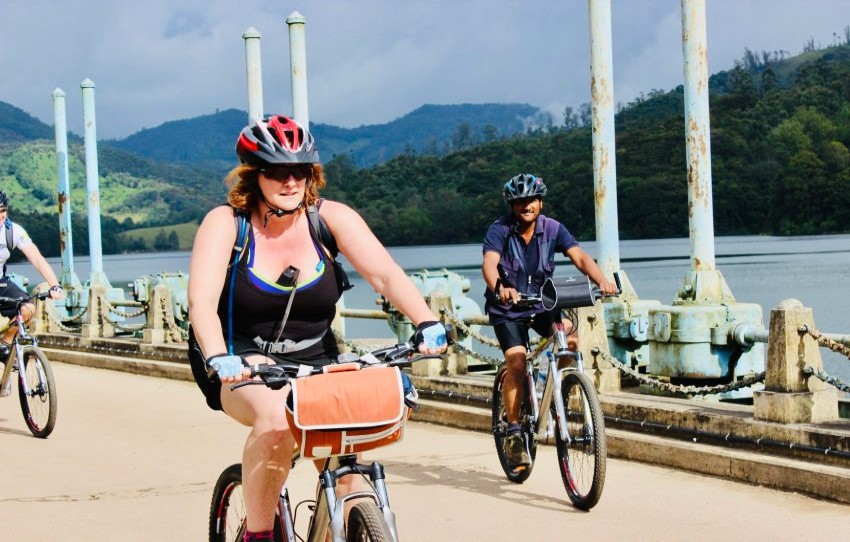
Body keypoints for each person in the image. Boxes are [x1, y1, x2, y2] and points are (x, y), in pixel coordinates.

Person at [187, 115, 448, 541]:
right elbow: (201, 303)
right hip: (241, 358)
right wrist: (220, 356)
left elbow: (385, 275)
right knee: (274, 422)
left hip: (316, 358)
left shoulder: (329, 219)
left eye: (300, 171)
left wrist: (427, 321)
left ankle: (346, 516)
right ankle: (259, 533)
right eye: (276, 171)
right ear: (254, 176)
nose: (289, 182)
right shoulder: (226, 224)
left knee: (349, 459)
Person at [481, 173, 616, 467]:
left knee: (570, 337)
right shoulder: (500, 230)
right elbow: (489, 264)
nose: (526, 205)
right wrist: (499, 288)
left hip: (541, 304)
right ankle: (515, 432)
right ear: (512, 206)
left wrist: (602, 280)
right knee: (516, 361)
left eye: (531, 200)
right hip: (508, 308)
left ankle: (554, 387)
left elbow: (579, 257)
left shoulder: (553, 229)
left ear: (540, 202)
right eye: (519, 202)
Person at [0, 191, 64, 360]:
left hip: (1, 283)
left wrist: (54, 285)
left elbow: (37, 259)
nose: (1, 215)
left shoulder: (12, 231)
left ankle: (5, 345)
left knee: (28, 308)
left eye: (3, 210)